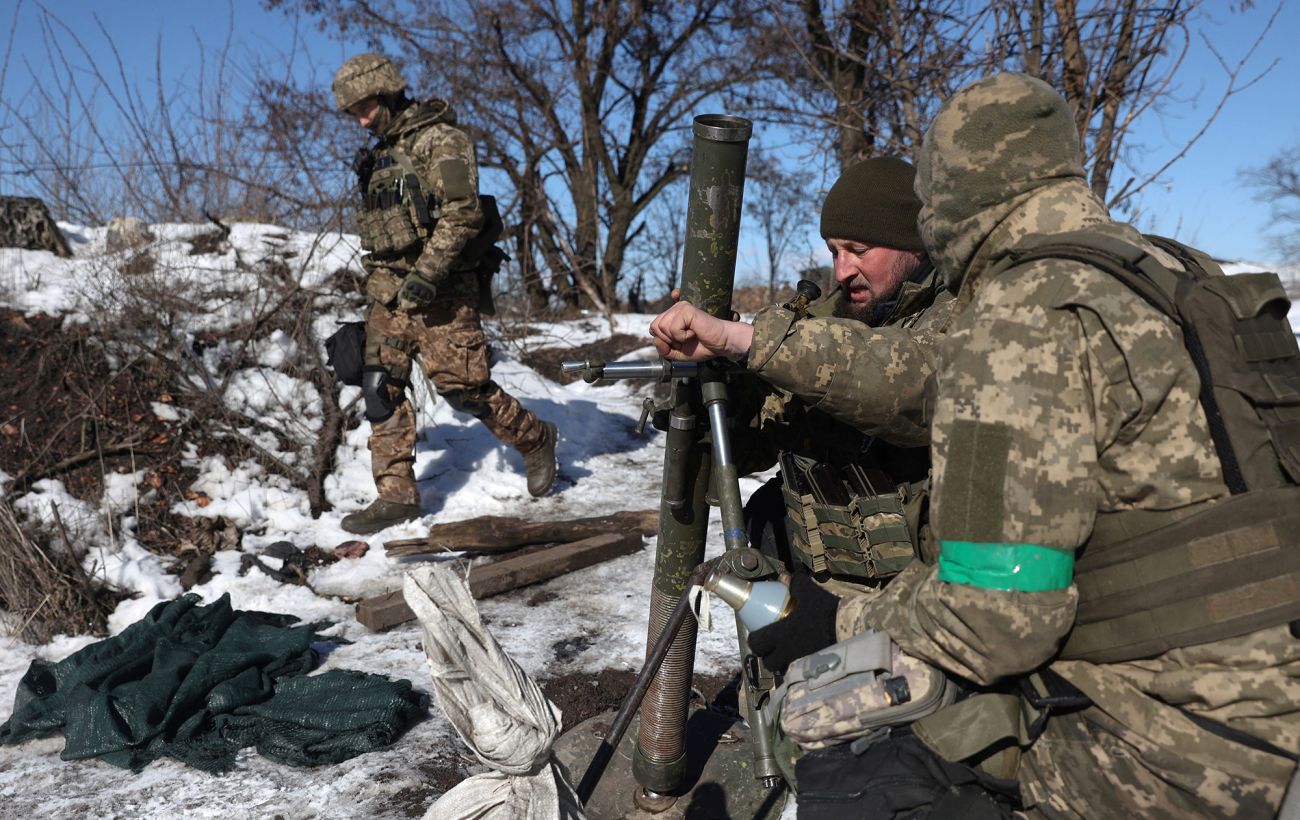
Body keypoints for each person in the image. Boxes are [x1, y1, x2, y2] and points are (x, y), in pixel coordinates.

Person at [744, 72, 1300, 818]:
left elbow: (993, 622)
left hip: (1179, 747)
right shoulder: (1178, 273)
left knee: (857, 776)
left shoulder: (1016, 317)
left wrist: (833, 623)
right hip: (1278, 693)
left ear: (941, 204)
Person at [650, 157, 953, 590]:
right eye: (834, 251)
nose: (842, 271)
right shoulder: (821, 319)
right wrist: (724, 373)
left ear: (916, 245)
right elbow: (756, 446)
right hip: (814, 581)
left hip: (923, 598)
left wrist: (751, 342)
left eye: (859, 251)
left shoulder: (965, 311)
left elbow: (908, 383)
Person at [331, 53, 558, 535]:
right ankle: (397, 496)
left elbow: (463, 215)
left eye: (365, 106)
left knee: (464, 390)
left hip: (443, 293)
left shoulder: (442, 139)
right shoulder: (378, 154)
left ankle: (536, 439)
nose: (360, 119)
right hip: (389, 294)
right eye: (353, 112)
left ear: (388, 92)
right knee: (379, 388)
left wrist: (427, 274)